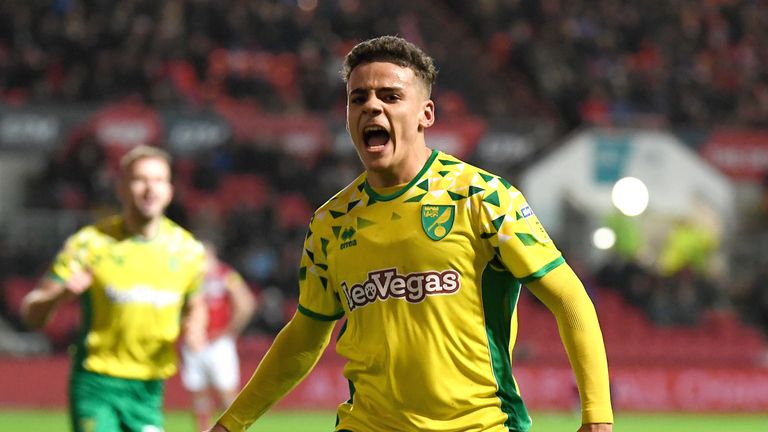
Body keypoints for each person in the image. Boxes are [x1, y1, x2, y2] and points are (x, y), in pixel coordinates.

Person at [209, 36, 613, 432]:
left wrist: (597, 417)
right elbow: (304, 335)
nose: (372, 107)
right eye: (358, 98)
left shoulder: (483, 198)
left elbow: (569, 299)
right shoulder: (330, 223)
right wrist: (233, 423)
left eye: (390, 96)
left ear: (426, 114)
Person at [21, 145, 208, 432]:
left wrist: (196, 326)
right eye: (140, 179)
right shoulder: (89, 244)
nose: (150, 189)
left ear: (170, 190)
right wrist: (60, 295)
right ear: (121, 188)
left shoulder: (188, 251)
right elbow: (31, 314)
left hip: (149, 388)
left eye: (158, 180)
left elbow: (196, 304)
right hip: (97, 382)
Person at [181, 239, 257, 430]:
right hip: (195, 342)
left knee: (226, 393)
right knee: (198, 392)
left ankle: (232, 428)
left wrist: (229, 331)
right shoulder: (189, 277)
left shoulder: (225, 275)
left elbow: (246, 303)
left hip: (218, 343)